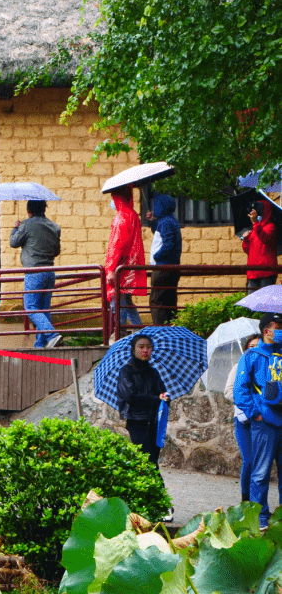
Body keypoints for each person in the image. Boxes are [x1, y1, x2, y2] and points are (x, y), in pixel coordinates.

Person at [235, 314, 282, 528]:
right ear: (266, 331)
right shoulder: (251, 356)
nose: (281, 331)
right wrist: (256, 414)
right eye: (278, 327)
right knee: (261, 473)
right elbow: (240, 390)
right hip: (264, 422)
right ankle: (260, 517)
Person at [115, 335, 170, 494]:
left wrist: (165, 398)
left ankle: (143, 497)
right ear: (133, 349)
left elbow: (163, 392)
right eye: (141, 346)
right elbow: (130, 396)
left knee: (149, 462)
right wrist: (155, 399)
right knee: (150, 461)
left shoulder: (153, 372)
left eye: (149, 346)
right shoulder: (126, 371)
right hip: (136, 421)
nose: (145, 350)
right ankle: (162, 501)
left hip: (154, 422)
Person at [9, 200, 63, 347]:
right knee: (44, 309)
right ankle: (40, 344)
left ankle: (52, 334)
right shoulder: (54, 226)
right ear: (43, 209)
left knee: (31, 307)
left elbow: (13, 242)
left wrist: (15, 228)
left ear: (29, 210)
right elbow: (56, 251)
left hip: (34, 273)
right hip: (50, 272)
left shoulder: (26, 225)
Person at [226, 334, 261, 503]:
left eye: (257, 345)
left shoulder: (267, 368)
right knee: (249, 460)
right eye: (251, 346)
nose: (254, 348)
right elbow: (228, 391)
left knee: (263, 463)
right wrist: (246, 399)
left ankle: (258, 500)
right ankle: (245, 498)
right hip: (244, 420)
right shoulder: (238, 367)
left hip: (263, 420)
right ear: (246, 348)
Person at [105, 187, 146, 327]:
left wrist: (110, 269)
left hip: (120, 268)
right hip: (130, 266)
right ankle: (139, 330)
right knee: (127, 302)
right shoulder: (133, 215)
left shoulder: (121, 218)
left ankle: (119, 333)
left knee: (118, 302)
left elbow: (116, 246)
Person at [146, 194, 182, 325]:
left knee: (157, 301)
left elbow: (168, 244)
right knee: (169, 302)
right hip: (172, 267)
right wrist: (152, 221)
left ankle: (160, 330)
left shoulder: (165, 222)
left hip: (162, 268)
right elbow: (159, 232)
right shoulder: (171, 220)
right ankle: (171, 330)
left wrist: (157, 256)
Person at [243, 201, 279, 292]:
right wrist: (246, 239)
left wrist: (255, 223)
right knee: (252, 300)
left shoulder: (271, 227)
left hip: (267, 272)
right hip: (253, 272)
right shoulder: (254, 228)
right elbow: (248, 250)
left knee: (265, 300)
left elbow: (265, 239)